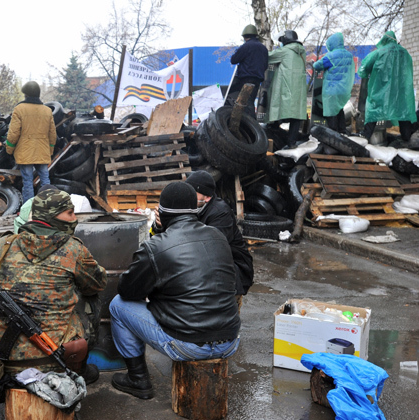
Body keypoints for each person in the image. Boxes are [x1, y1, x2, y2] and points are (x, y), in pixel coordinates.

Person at [110, 182, 241, 400]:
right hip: (229, 341)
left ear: (161, 213)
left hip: (188, 345)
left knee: (117, 305)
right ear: (196, 210)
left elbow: (127, 291)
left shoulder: (156, 246)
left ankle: (138, 379)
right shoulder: (218, 237)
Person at [0, 188, 107, 382]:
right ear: (53, 217)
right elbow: (97, 284)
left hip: (4, 356)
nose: (74, 218)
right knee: (91, 299)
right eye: (70, 213)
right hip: (54, 357)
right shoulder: (74, 249)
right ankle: (78, 368)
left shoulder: (3, 244)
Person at [183, 171, 254, 310]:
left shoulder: (220, 213)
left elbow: (210, 249)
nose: (188, 196)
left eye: (192, 192)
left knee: (223, 321)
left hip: (233, 272)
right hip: (209, 272)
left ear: (207, 197)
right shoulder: (194, 207)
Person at [358, 31, 417, 142]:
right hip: (401, 92)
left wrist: (367, 74)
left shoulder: (380, 52)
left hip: (381, 90)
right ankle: (406, 135)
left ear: (384, 40)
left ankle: (366, 134)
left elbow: (364, 68)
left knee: (374, 108)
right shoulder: (405, 53)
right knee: (402, 111)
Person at [5, 81, 57, 201]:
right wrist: (50, 150)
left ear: (26, 95)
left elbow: (13, 133)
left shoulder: (19, 109)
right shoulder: (47, 110)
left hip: (25, 151)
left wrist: (9, 149)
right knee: (45, 180)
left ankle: (28, 210)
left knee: (27, 182)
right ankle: (48, 207)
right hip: (43, 150)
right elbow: (52, 134)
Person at [266, 30, 308, 148]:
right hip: (298, 90)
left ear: (286, 40)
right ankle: (292, 142)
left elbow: (268, 57)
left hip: (286, 87)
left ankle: (273, 130)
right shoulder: (302, 52)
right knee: (296, 114)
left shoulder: (284, 51)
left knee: (279, 109)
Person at [312, 33, 355, 134]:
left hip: (332, 90)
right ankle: (342, 132)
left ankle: (333, 136)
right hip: (344, 90)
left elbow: (317, 65)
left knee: (331, 113)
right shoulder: (349, 55)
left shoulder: (331, 56)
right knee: (339, 111)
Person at [225, 24, 268, 118]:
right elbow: (265, 65)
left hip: (245, 79)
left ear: (244, 36)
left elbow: (234, 60)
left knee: (246, 102)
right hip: (257, 79)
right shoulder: (263, 48)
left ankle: (251, 123)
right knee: (251, 100)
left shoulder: (245, 46)